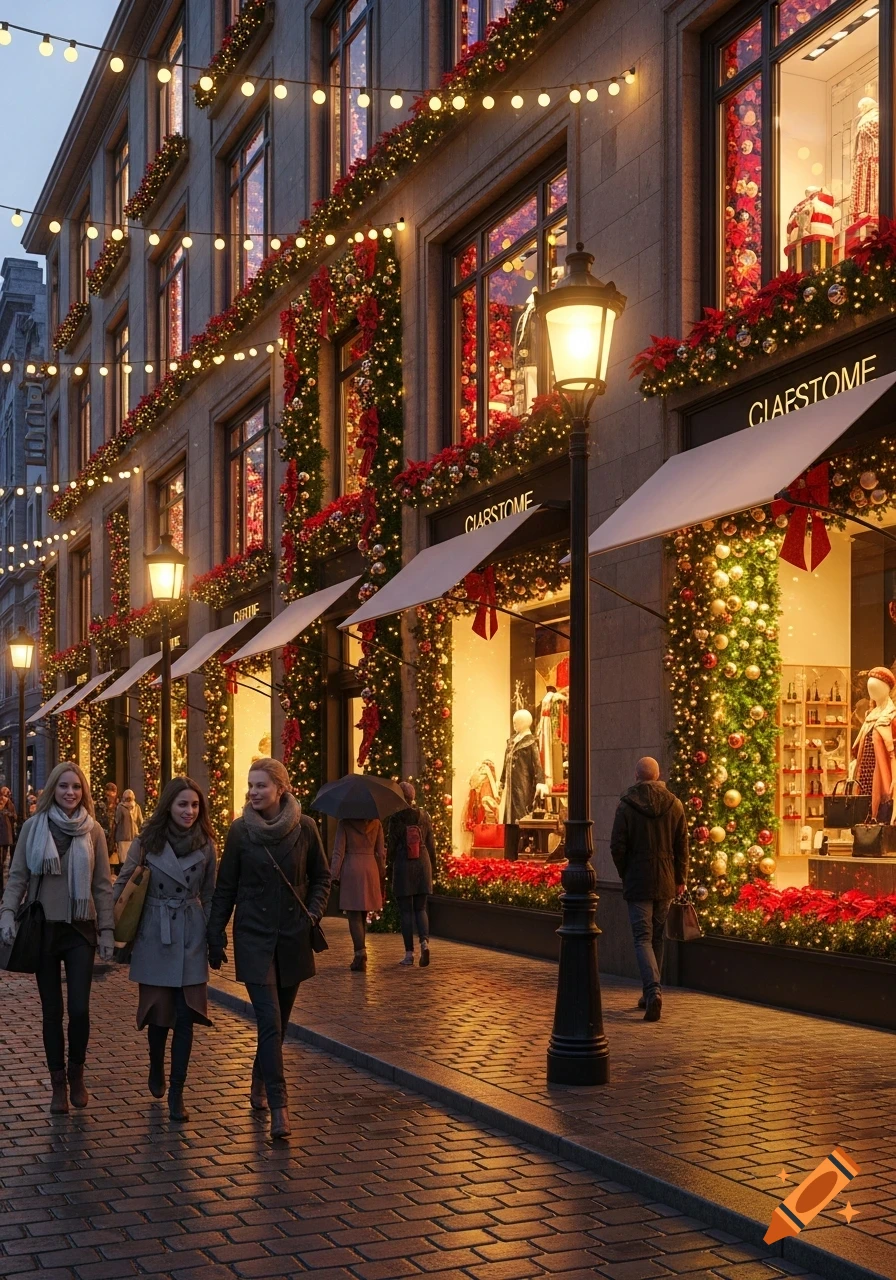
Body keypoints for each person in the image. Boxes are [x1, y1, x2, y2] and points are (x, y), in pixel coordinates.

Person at [207, 758, 330, 1140]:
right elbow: (225, 887)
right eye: (250, 785)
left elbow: (322, 877)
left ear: (281, 789)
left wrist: (312, 913)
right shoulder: (240, 832)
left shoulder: (306, 828)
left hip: (293, 936)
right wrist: (215, 933)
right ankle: (280, 1107)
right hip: (254, 936)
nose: (253, 792)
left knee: (279, 1024)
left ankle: (259, 1079)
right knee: (269, 1020)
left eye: (261, 785)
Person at [0, 762, 113, 1112]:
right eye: (63, 786)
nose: (70, 792)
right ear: (53, 788)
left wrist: (107, 930)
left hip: (81, 928)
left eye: (76, 787)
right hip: (43, 929)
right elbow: (17, 876)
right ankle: (58, 1083)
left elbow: (102, 886)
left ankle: (77, 1070)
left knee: (79, 1008)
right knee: (53, 1011)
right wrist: (6, 913)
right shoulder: (34, 827)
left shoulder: (93, 830)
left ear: (84, 792)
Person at [113, 778, 216, 1122]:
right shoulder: (146, 842)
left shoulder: (207, 846)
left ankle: (177, 1091)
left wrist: (215, 935)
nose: (189, 812)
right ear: (169, 806)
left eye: (195, 805)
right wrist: (112, 928)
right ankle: (156, 1064)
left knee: (186, 1016)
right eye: (183, 804)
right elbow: (123, 883)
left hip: (190, 932)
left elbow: (212, 894)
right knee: (159, 1014)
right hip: (155, 932)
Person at [610, 757, 688, 1023]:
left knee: (642, 938)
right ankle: (651, 990)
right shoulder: (674, 804)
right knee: (656, 937)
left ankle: (652, 991)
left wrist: (626, 872)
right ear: (659, 775)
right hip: (665, 880)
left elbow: (617, 847)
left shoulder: (626, 805)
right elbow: (682, 847)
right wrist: (681, 878)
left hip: (638, 879)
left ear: (636, 776)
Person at [387, 781, 436, 968]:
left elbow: (391, 847)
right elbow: (431, 844)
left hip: (404, 864)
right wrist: (433, 865)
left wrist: (388, 863)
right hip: (423, 863)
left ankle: (409, 954)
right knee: (421, 908)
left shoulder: (396, 818)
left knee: (406, 911)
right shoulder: (424, 816)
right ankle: (424, 943)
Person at [330, 812, 385, 971]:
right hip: (370, 867)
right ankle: (361, 951)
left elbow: (338, 851)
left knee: (353, 914)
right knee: (363, 912)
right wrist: (381, 871)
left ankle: (360, 954)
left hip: (352, 867)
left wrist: (333, 874)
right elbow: (381, 853)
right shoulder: (376, 823)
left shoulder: (345, 823)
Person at [114, 789, 143, 870]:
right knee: (123, 861)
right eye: (127, 798)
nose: (129, 800)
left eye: (130, 798)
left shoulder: (137, 807)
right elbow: (117, 820)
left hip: (134, 836)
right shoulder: (120, 807)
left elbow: (140, 821)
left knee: (133, 860)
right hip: (123, 837)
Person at [95, 782, 119, 867]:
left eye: (112, 794)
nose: (110, 797)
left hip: (114, 837)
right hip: (103, 834)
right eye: (108, 795)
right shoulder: (100, 805)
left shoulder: (118, 806)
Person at [0, 786, 16, 888]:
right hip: (5, 834)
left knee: (3, 861)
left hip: (5, 835)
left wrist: (8, 814)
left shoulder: (7, 802)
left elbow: (14, 816)